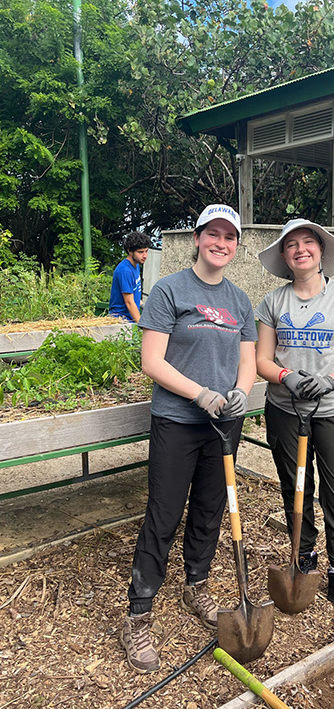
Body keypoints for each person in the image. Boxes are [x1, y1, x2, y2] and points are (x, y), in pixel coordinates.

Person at [121, 204, 256, 673]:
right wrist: (201, 394)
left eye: (230, 237)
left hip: (224, 424)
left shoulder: (240, 301)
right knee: (164, 514)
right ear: (197, 239)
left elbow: (249, 359)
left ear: (236, 245)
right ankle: (138, 613)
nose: (222, 243)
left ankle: (196, 584)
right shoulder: (169, 289)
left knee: (209, 509)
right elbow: (152, 361)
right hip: (178, 420)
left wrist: (240, 392)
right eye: (213, 234)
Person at [256, 218, 334, 616]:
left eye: (308, 242)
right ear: (283, 255)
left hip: (333, 411)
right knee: (296, 487)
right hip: (284, 409)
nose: (300, 249)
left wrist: (330, 379)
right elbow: (261, 359)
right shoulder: (272, 302)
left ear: (321, 251)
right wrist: (286, 376)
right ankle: (303, 559)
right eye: (291, 244)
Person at [109, 232, 152, 322]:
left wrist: (145, 307)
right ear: (130, 251)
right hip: (120, 320)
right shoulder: (125, 271)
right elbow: (129, 302)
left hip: (130, 318)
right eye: (140, 252)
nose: (145, 256)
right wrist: (141, 325)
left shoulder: (135, 266)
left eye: (146, 251)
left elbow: (134, 294)